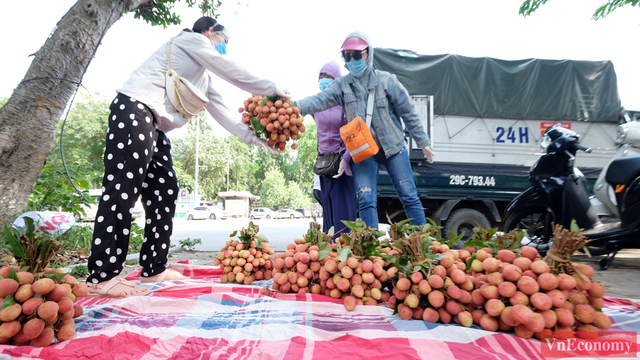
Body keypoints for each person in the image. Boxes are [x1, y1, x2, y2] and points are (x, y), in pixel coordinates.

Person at [86, 16, 287, 298]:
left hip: (153, 125)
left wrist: (253, 137)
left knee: (165, 190)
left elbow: (220, 109)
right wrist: (269, 88)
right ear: (209, 31)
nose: (224, 47)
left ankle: (154, 267)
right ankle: (102, 276)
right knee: (122, 187)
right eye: (223, 39)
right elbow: (230, 69)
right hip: (133, 109)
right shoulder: (191, 40)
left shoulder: (201, 75)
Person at [293, 31, 435, 230]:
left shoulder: (387, 81)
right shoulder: (341, 86)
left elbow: (408, 111)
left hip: (393, 148)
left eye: (357, 55)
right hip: (364, 152)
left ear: (368, 54)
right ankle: (371, 247)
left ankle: (425, 242)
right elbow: (318, 100)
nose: (352, 60)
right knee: (366, 200)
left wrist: (423, 142)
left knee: (409, 196)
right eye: (347, 56)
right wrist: (293, 106)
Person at [312, 61, 357, 237]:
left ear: (337, 79)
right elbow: (295, 110)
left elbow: (355, 134)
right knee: (329, 214)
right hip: (325, 165)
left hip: (344, 165)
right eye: (321, 77)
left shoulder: (347, 102)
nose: (324, 80)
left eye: (328, 77)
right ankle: (330, 254)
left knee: (343, 213)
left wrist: (346, 158)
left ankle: (345, 254)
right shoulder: (317, 103)